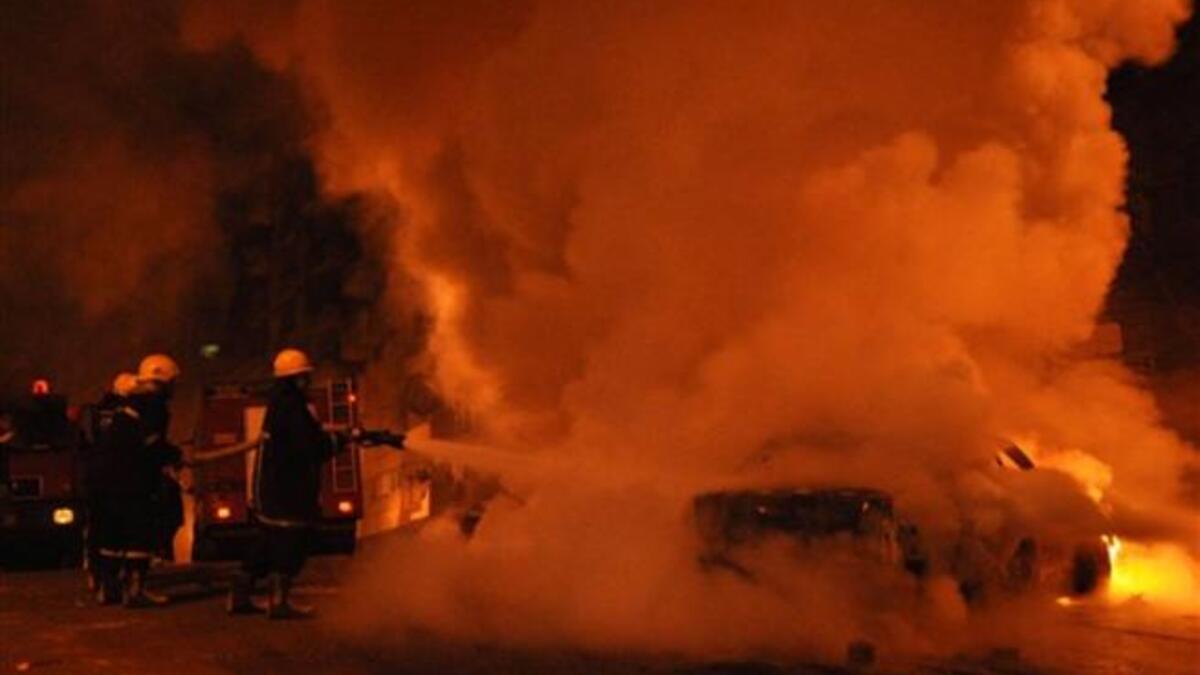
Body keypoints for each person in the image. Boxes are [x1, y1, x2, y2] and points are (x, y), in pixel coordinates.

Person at [228, 348, 334, 619]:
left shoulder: (279, 404)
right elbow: (308, 446)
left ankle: (239, 596)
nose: (307, 382)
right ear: (296, 378)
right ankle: (279, 601)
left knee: (267, 540)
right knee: (291, 541)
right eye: (305, 376)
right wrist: (334, 443)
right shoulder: (293, 407)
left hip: (273, 488)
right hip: (289, 489)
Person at [80, 373, 138, 597]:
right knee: (118, 530)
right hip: (119, 479)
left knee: (100, 529)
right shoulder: (127, 414)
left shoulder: (96, 413)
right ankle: (112, 577)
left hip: (97, 479)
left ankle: (101, 576)